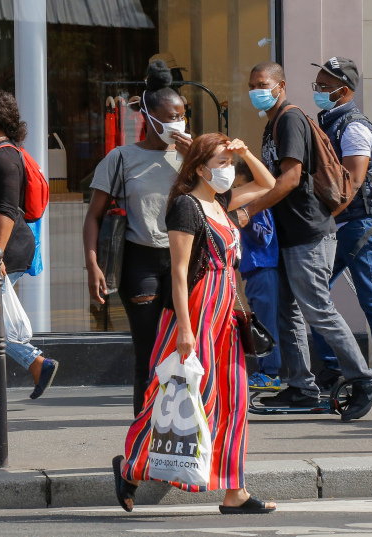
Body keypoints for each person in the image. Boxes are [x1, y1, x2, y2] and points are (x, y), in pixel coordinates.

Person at [112, 133, 276, 514]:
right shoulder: (186, 206)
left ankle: (234, 490)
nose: (228, 169)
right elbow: (180, 273)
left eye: (229, 163)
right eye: (220, 163)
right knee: (183, 392)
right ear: (199, 168)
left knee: (234, 397)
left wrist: (245, 150)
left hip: (227, 312)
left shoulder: (223, 203)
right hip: (198, 309)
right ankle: (132, 466)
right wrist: (185, 329)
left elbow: (267, 184)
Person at [242, 61, 372, 421]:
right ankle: (301, 387)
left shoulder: (289, 119)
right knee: (288, 312)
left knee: (318, 309)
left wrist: (248, 210)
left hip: (309, 233)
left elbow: (289, 179)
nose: (255, 89)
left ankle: (364, 379)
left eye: (262, 83)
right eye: (252, 83)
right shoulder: (272, 124)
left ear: (280, 85)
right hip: (289, 236)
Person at [83, 60, 188, 416]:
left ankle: (181, 435)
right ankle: (142, 434)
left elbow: (220, 205)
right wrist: (93, 267)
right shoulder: (122, 158)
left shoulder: (196, 156)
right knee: (148, 350)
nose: (178, 122)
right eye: (171, 116)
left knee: (188, 349)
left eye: (182, 115)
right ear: (150, 117)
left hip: (186, 263)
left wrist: (197, 162)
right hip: (141, 262)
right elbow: (93, 217)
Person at [308, 57, 372, 398]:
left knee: (371, 297)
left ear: (343, 90)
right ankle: (334, 369)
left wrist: (324, 218)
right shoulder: (329, 121)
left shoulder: (354, 127)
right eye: (317, 85)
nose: (317, 91)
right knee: (315, 294)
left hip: (356, 224)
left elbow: (352, 181)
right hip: (338, 223)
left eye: (323, 86)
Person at [0, 89, 58, 413]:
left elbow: (6, 208)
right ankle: (24, 372)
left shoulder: (3, 157)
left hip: (1, 250)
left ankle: (9, 381)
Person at [232, 162, 281, 391]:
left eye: (241, 186)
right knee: (260, 322)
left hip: (263, 269)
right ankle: (264, 371)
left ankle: (270, 373)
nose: (237, 191)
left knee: (266, 324)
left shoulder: (257, 207)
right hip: (253, 272)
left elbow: (264, 238)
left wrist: (247, 219)